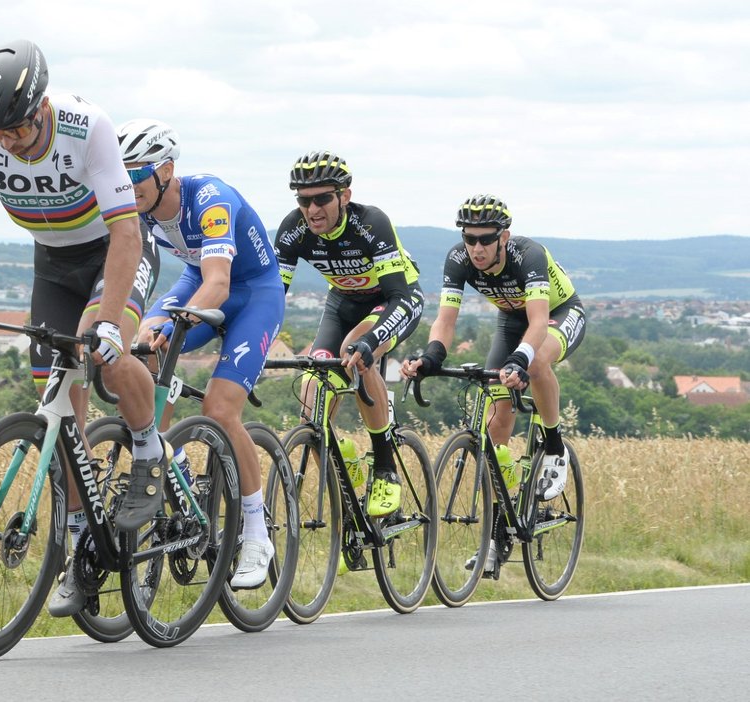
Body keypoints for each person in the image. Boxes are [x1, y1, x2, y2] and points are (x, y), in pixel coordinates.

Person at [0, 39, 165, 616]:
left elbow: (126, 232)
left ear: (41, 106)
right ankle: (80, 543)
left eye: (16, 129)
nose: (7, 143)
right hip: (53, 264)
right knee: (62, 407)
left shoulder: (86, 126)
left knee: (105, 359)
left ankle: (149, 447)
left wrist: (110, 322)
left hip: (114, 251)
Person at [116, 118, 285, 589]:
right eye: (120, 174)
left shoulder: (210, 199)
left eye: (136, 174)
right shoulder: (138, 209)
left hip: (251, 293)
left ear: (166, 169)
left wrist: (175, 322)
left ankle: (255, 532)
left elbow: (219, 282)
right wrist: (139, 326)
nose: (126, 185)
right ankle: (171, 456)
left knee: (219, 408)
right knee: (143, 351)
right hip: (197, 280)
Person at [400, 194, 587, 569]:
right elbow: (447, 320)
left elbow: (537, 324)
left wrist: (521, 358)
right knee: (496, 421)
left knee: (534, 366)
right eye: (470, 239)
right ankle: (498, 533)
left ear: (505, 236)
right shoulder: (458, 259)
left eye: (486, 239)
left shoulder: (528, 255)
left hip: (557, 314)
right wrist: (432, 354)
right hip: (511, 321)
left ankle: (554, 446)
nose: (478, 247)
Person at [275, 151, 424, 518]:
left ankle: (386, 467)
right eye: (303, 200)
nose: (312, 209)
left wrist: (371, 342)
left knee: (355, 353)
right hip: (342, 303)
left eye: (322, 198)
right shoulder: (293, 230)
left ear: (344, 195)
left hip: (394, 301)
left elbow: (399, 296)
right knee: (312, 396)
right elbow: (271, 297)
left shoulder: (371, 223)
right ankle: (348, 472)